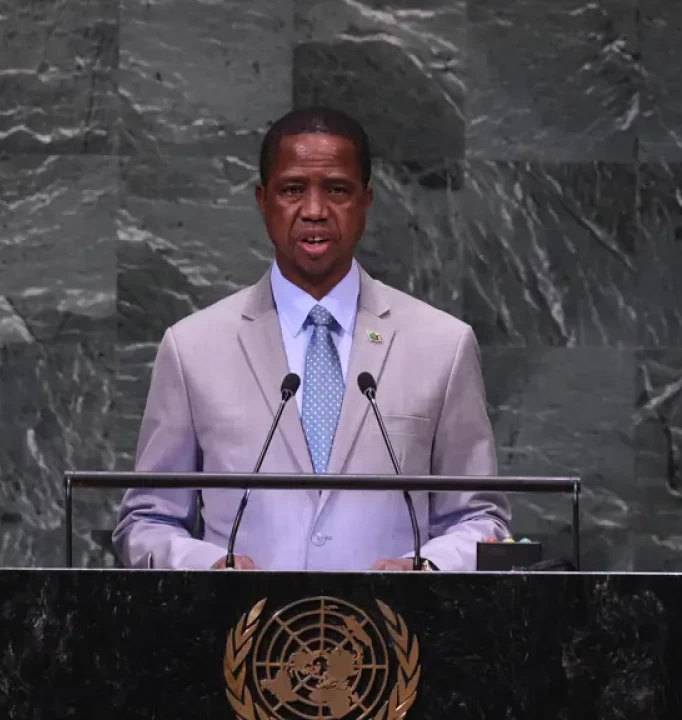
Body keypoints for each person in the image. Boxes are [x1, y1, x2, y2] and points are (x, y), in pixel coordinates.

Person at [112, 106, 510, 571]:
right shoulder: (192, 347)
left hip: (393, 618)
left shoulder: (442, 344)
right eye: (292, 189)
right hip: (243, 617)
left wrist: (427, 567)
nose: (315, 211)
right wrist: (207, 568)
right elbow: (147, 520)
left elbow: (480, 519)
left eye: (337, 190)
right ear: (263, 200)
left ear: (366, 201)